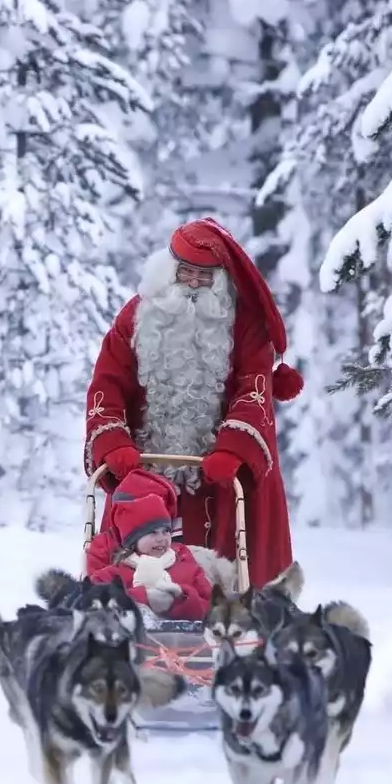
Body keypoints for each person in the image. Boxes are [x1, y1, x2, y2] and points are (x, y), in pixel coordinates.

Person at [83, 218, 302, 588]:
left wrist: (233, 450)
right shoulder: (135, 317)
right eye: (186, 272)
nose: (194, 285)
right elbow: (107, 383)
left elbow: (255, 389)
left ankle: (231, 623)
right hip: (145, 473)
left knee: (226, 572)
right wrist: (114, 443)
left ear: (221, 280)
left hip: (219, 480)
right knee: (129, 568)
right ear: (168, 271)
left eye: (205, 276)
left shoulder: (244, 326)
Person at [86, 470, 214, 620]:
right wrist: (143, 597)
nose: (161, 538)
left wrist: (181, 598)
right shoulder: (117, 572)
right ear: (133, 540)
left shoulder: (185, 564)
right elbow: (92, 601)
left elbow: (210, 606)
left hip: (186, 638)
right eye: (153, 533)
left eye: (166, 531)